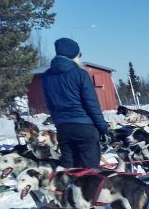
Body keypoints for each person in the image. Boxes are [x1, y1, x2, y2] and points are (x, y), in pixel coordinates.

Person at [40, 37, 110, 170]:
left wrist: (59, 123)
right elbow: (92, 104)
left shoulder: (47, 76)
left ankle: (68, 189)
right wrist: (103, 128)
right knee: (89, 173)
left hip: (64, 129)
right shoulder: (80, 74)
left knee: (70, 170)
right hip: (85, 127)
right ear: (74, 55)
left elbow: (50, 104)